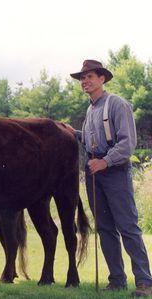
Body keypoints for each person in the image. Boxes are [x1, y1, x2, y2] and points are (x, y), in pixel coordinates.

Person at [68, 59, 152, 297]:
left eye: (89, 77)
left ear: (102, 78)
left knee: (128, 227)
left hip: (114, 171)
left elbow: (127, 144)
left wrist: (104, 161)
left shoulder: (117, 104)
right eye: (82, 78)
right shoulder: (90, 109)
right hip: (96, 173)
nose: (85, 81)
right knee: (105, 229)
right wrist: (69, 131)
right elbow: (92, 139)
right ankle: (116, 279)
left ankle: (145, 282)